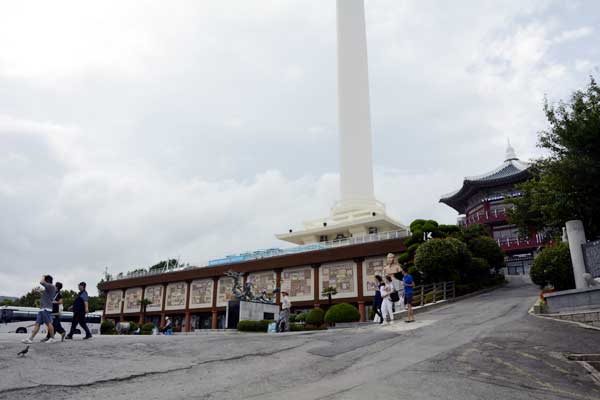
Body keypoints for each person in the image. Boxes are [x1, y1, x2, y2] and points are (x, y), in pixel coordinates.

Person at [22, 275, 56, 344]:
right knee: (37, 324)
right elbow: (45, 296)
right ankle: (30, 339)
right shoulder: (49, 288)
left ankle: (52, 338)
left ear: (47, 281)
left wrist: (43, 276)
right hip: (42, 309)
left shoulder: (51, 286)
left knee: (48, 323)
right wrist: (38, 292)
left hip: (46, 309)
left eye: (45, 280)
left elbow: (41, 282)